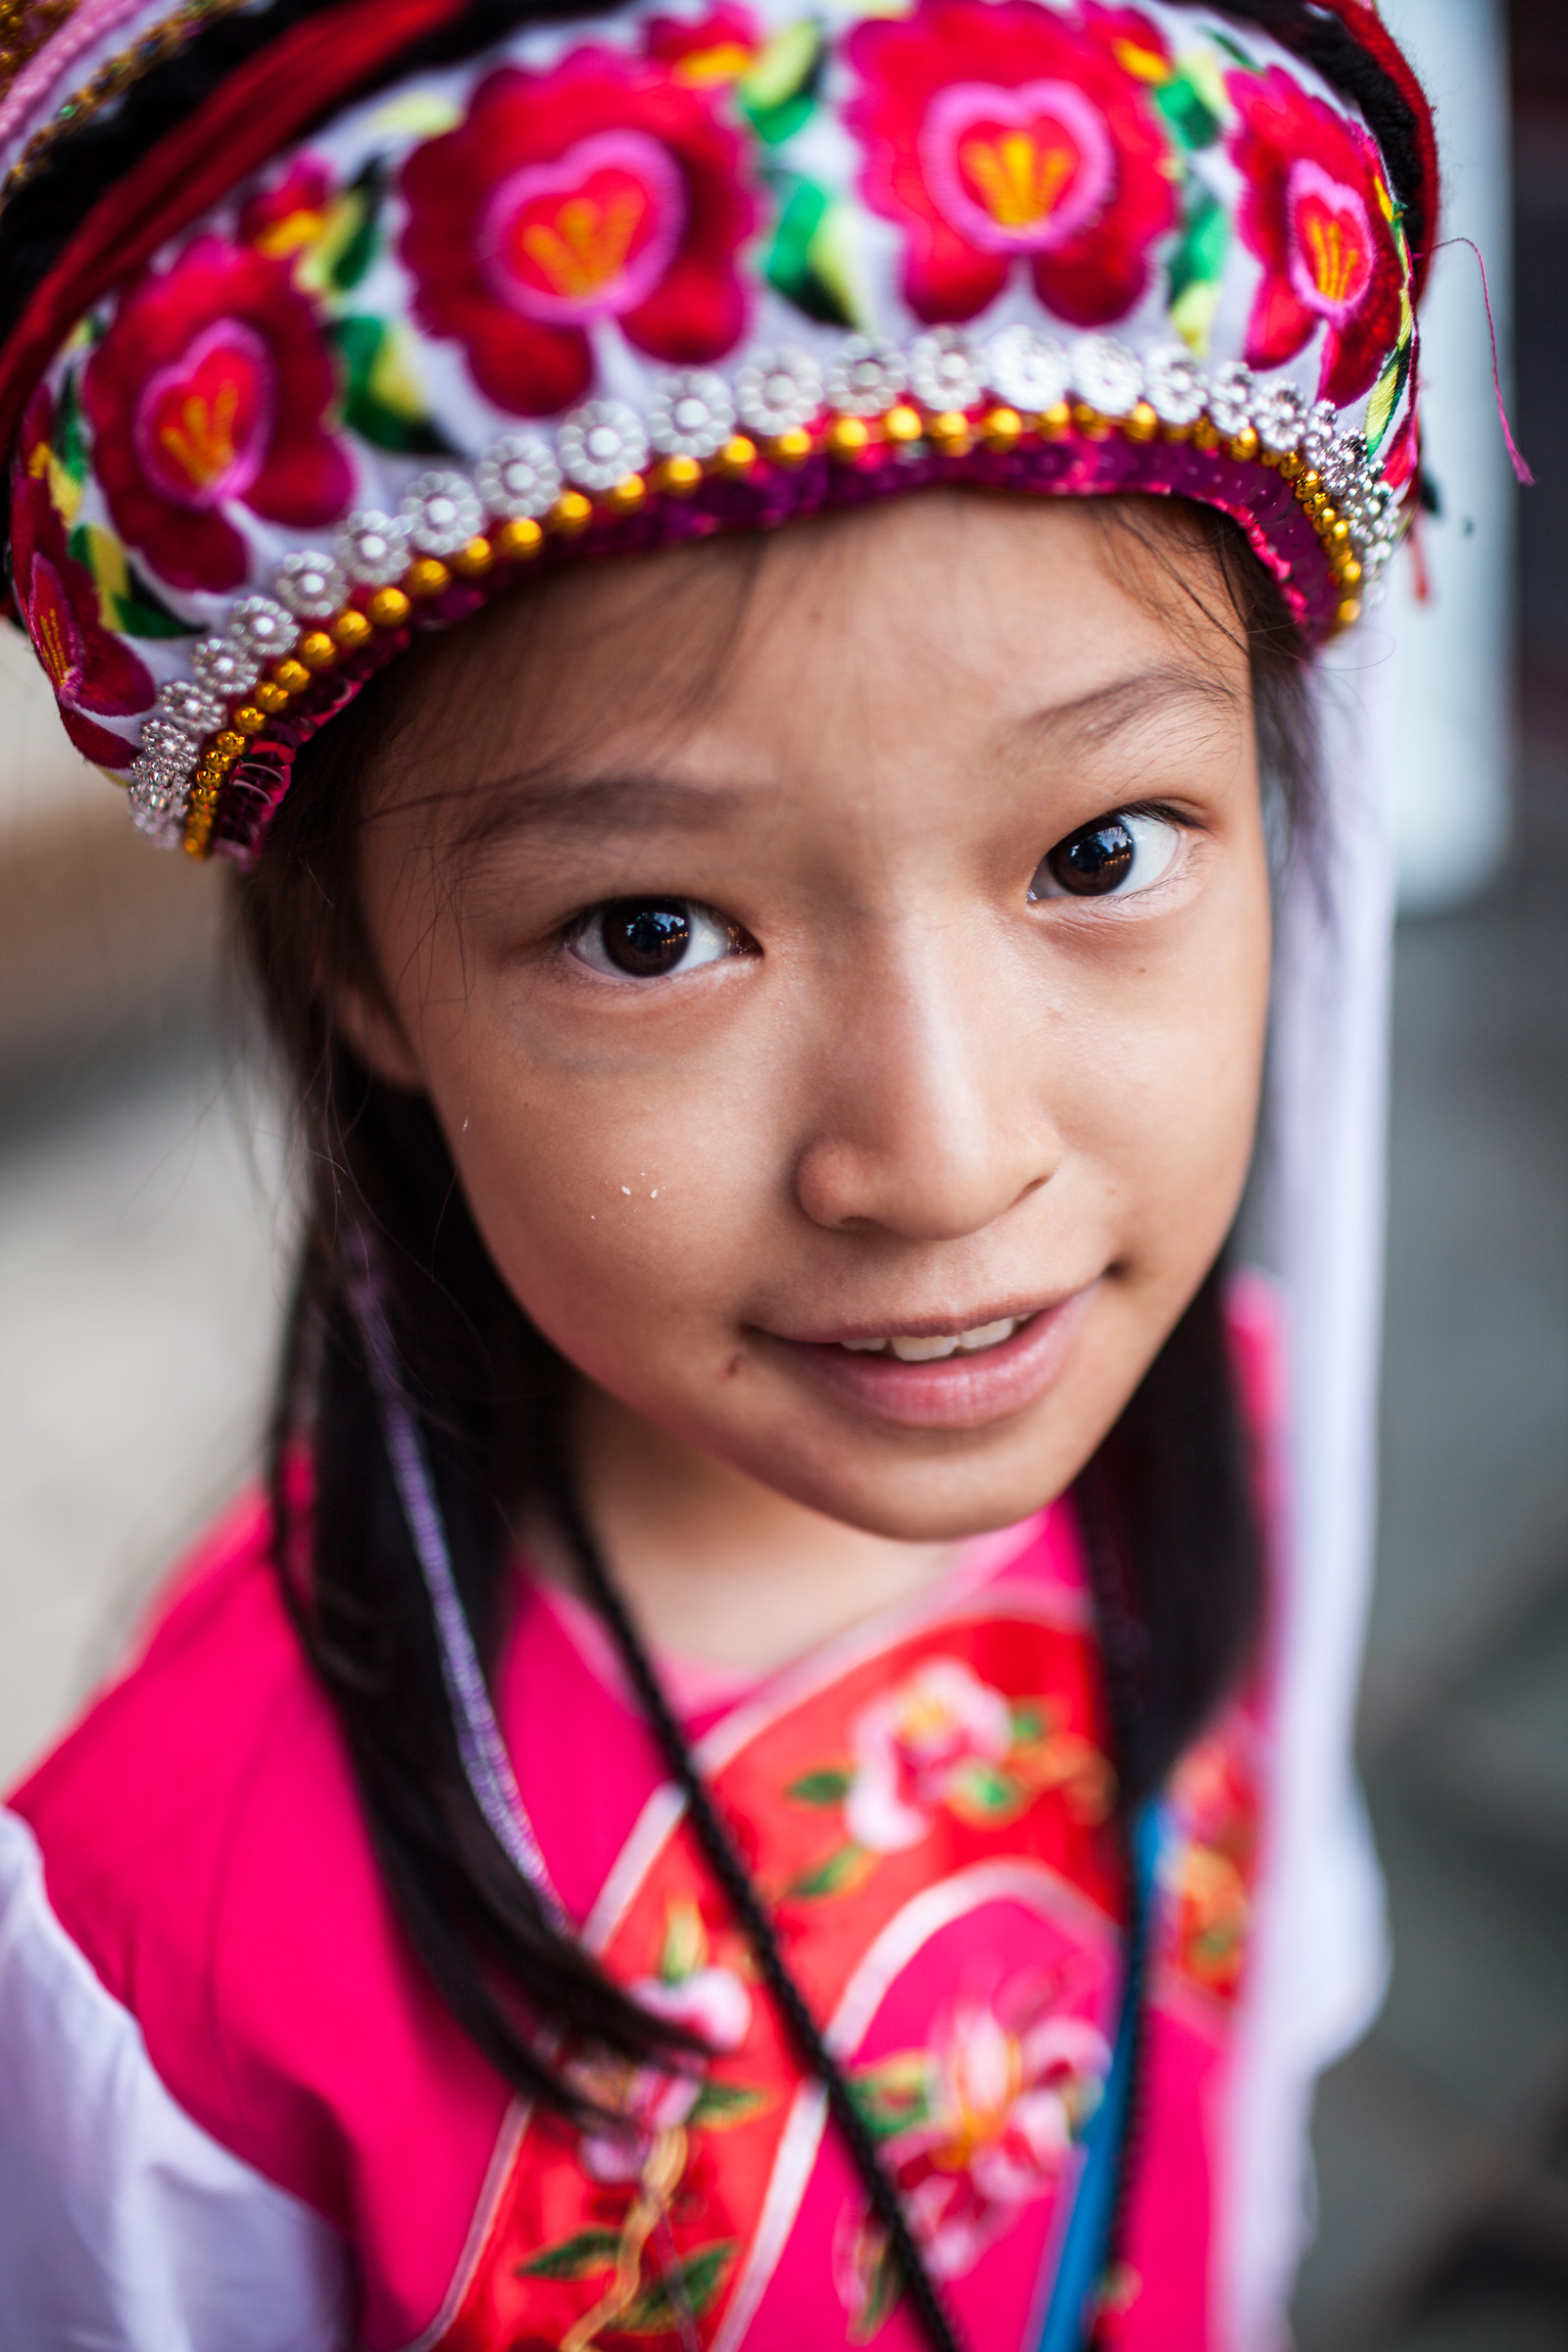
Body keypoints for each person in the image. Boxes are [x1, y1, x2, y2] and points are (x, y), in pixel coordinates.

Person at [0, 1, 1439, 2344]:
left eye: (1095, 847)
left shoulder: (1240, 1440)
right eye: (651, 931)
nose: (944, 1155)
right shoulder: (174, 1923)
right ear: (361, 972)